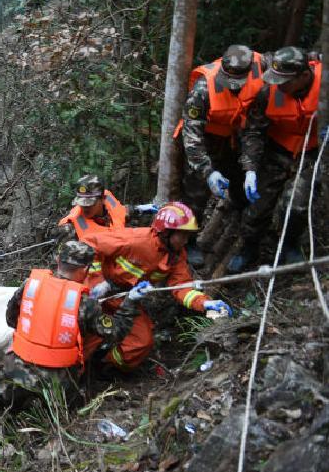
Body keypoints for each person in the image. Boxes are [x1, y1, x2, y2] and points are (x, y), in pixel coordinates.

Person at [0, 241, 141, 415]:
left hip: (16, 368)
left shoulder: (31, 285)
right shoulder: (84, 302)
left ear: (58, 261)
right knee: (66, 412)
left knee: (6, 408)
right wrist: (131, 302)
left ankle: (5, 424)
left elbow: (11, 319)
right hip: (57, 379)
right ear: (85, 269)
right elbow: (115, 333)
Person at [82, 202, 232, 371]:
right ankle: (75, 372)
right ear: (165, 232)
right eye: (182, 235)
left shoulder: (176, 255)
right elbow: (89, 245)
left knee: (141, 343)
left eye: (187, 235)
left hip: (126, 300)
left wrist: (204, 303)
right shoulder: (136, 240)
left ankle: (104, 367)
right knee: (84, 339)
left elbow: (182, 288)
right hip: (97, 295)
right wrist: (97, 280)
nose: (185, 240)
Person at [230, 46, 323, 272]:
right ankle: (248, 247)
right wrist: (250, 168)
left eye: (285, 81)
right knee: (257, 206)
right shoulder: (268, 92)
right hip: (277, 149)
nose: (279, 85)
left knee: (298, 204)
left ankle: (289, 244)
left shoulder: (325, 85)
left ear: (303, 76)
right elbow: (253, 130)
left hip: (310, 151)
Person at [174, 45, 265, 266]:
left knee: (242, 183)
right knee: (195, 195)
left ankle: (242, 222)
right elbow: (191, 135)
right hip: (205, 140)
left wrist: (251, 168)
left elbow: (254, 129)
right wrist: (208, 171)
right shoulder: (203, 89)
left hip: (235, 136)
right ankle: (190, 241)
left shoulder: (260, 67)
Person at [57, 175, 157, 245]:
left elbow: (121, 212)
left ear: (102, 199)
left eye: (90, 203)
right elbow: (63, 265)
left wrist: (140, 209)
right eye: (81, 203)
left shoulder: (109, 202)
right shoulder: (70, 226)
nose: (85, 207)